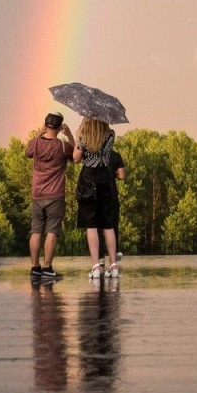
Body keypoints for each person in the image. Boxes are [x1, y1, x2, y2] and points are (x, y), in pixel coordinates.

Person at [26, 112, 76, 278]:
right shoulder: (62, 146)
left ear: (46, 125)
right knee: (52, 231)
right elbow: (76, 156)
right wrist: (69, 135)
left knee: (36, 230)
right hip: (55, 195)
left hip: (37, 195)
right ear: (60, 126)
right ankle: (47, 268)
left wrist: (39, 133)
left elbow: (27, 152)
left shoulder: (36, 143)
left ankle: (35, 267)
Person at [73, 117, 119, 279]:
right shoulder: (111, 134)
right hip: (105, 178)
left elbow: (76, 158)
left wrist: (79, 134)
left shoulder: (84, 136)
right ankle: (113, 265)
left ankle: (96, 267)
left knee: (91, 224)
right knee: (107, 224)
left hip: (88, 179)